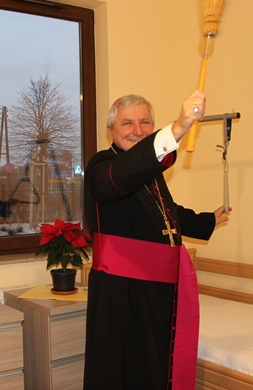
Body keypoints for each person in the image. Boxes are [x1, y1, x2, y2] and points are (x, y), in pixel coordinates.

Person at [83, 91, 231, 390]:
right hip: (121, 290)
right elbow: (122, 176)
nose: (137, 130)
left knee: (154, 363)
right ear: (111, 131)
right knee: (124, 369)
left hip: (157, 286)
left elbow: (165, 211)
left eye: (145, 122)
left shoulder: (149, 171)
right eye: (127, 123)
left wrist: (206, 221)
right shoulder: (102, 165)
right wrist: (177, 128)